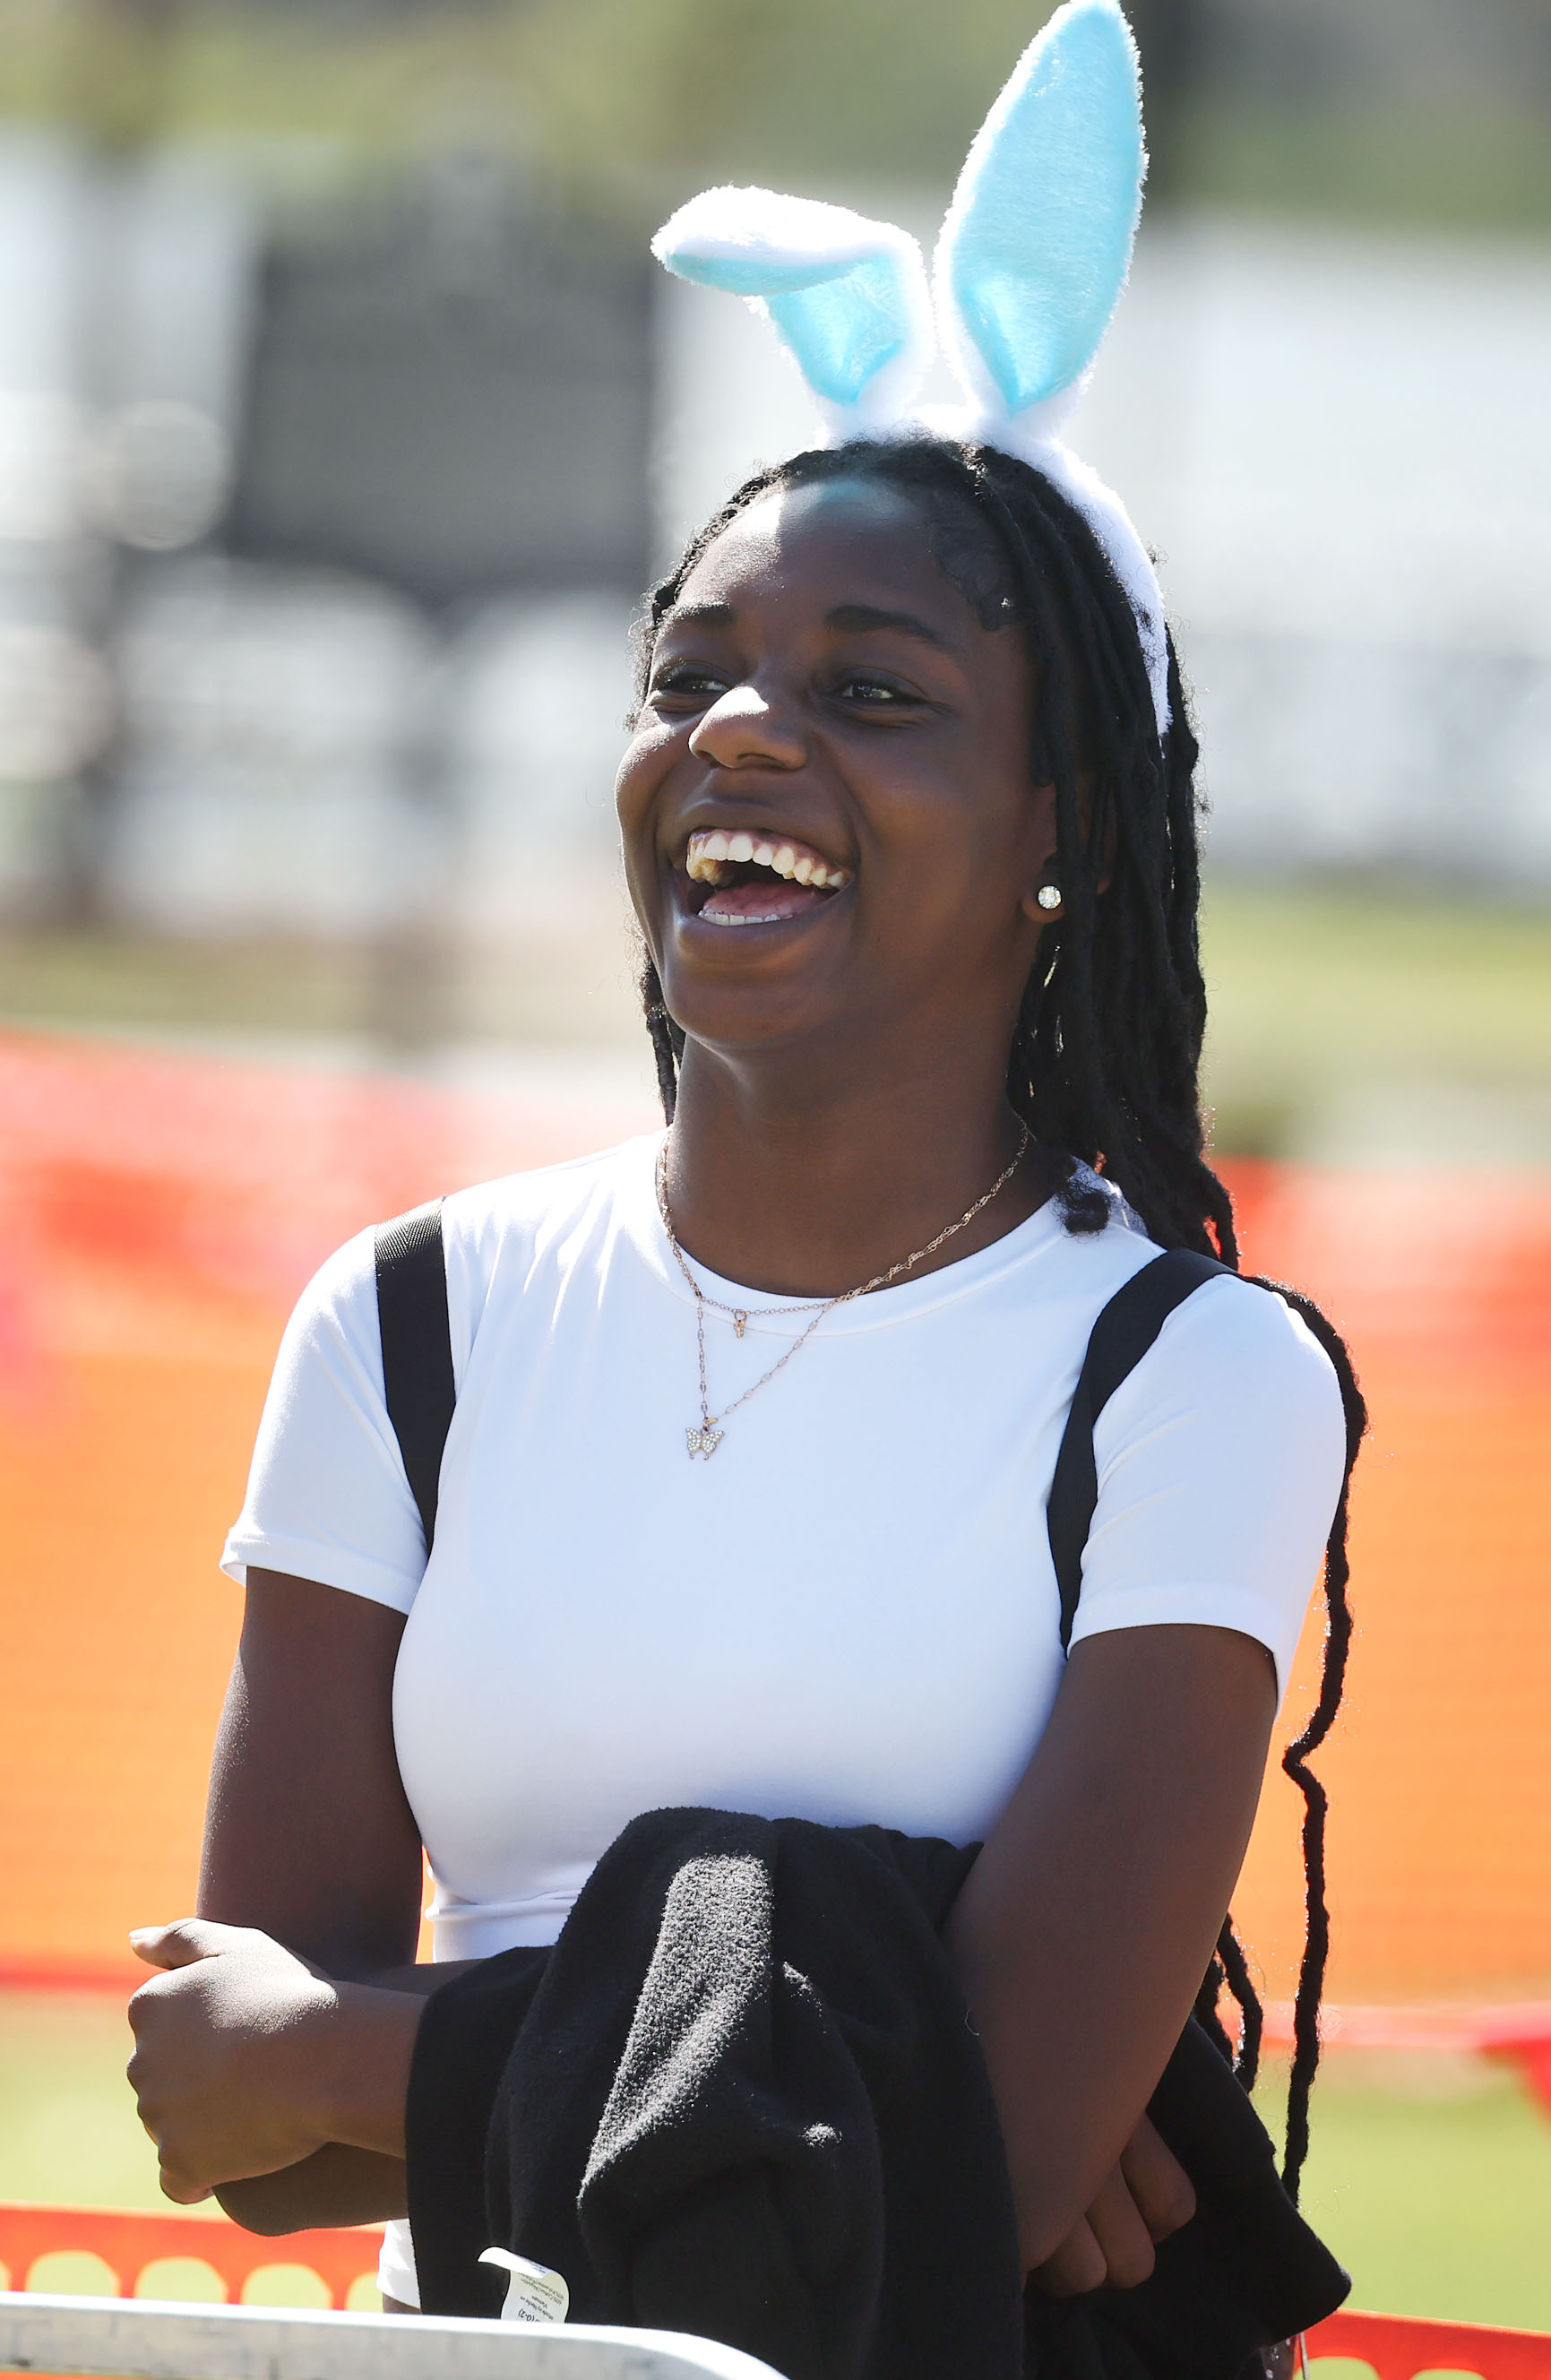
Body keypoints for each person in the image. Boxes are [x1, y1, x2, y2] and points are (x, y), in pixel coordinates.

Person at [125, 0, 1360, 2347]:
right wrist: (841, 2055)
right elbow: (238, 2142)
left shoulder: (1190, 1375)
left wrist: (379, 2046)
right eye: (692, 672)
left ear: (1061, 828)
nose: (740, 734)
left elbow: (970, 2159)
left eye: (872, 691)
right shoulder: (405, 1319)